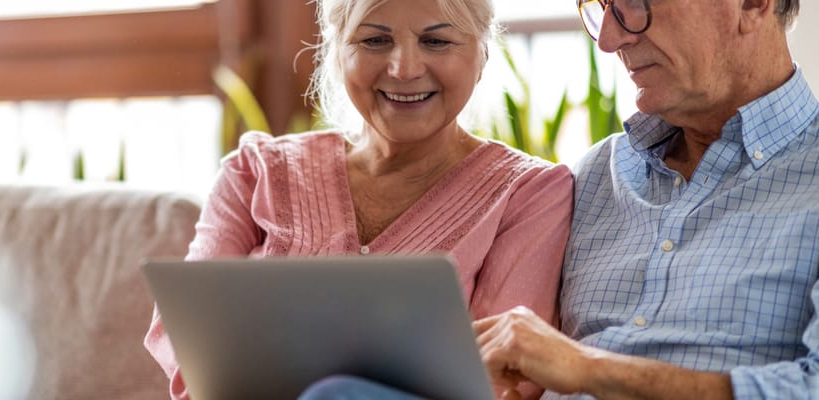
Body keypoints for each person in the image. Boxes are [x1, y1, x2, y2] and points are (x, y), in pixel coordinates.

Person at [143, 0, 574, 398]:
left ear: (483, 54)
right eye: (374, 40)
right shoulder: (254, 171)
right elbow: (188, 337)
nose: (404, 68)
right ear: (336, 53)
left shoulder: (530, 192)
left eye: (436, 40)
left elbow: (502, 380)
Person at [475, 0, 817, 398]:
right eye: (602, 8)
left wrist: (589, 369)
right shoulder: (593, 175)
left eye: (634, 5)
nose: (608, 39)